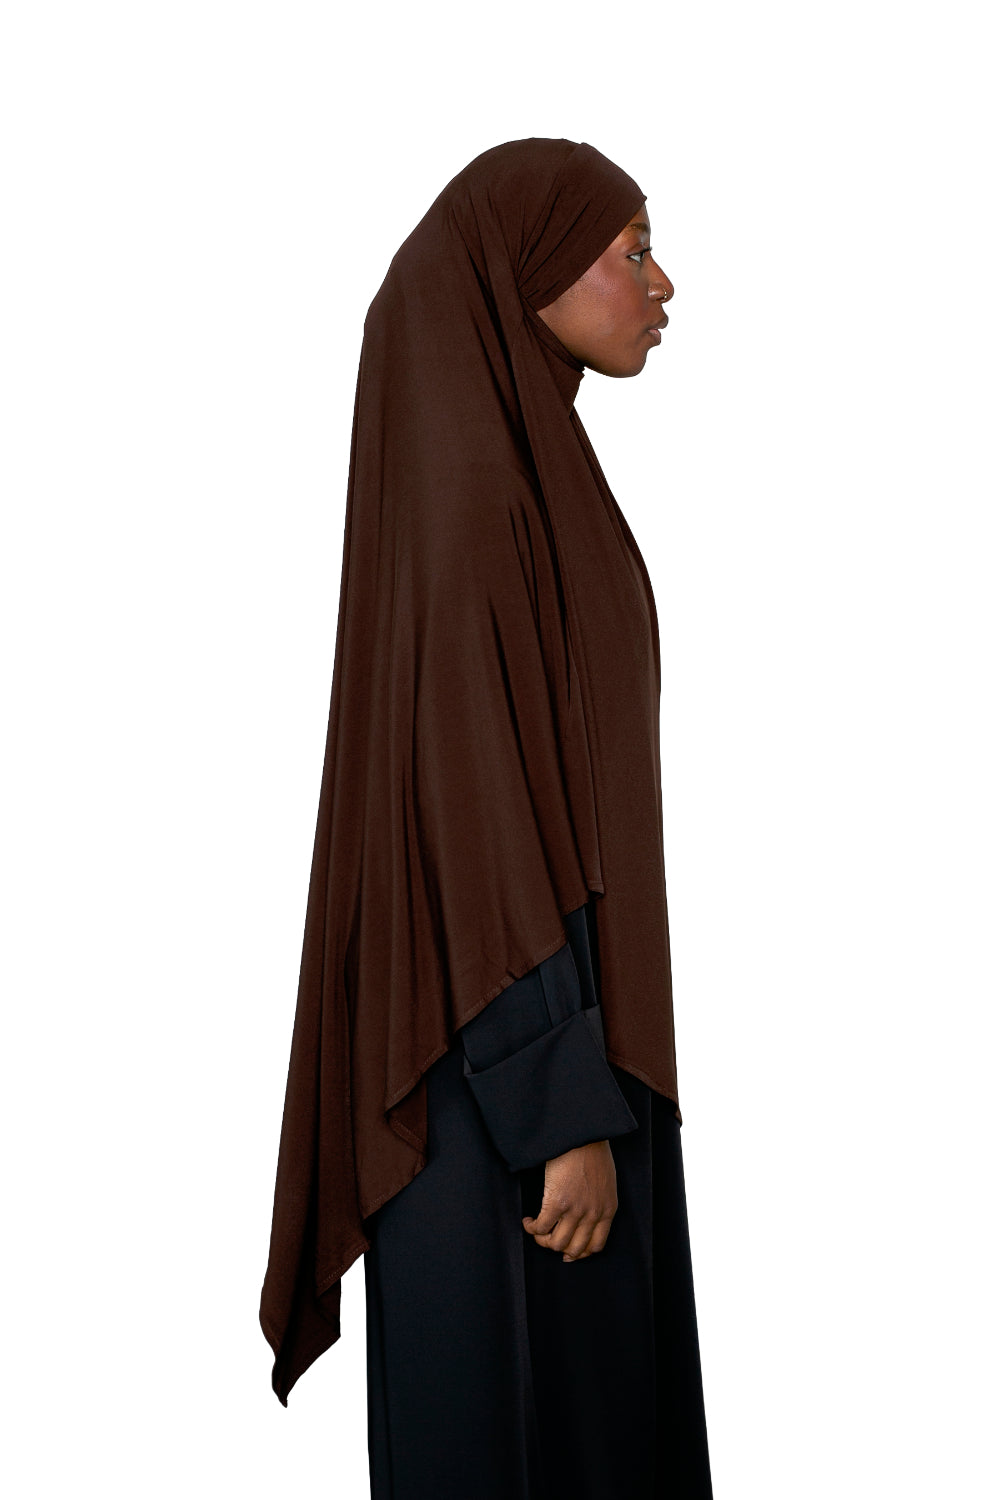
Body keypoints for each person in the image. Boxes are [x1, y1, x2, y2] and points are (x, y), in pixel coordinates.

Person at [260, 137, 714, 1499]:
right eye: (632, 251)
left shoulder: (526, 470)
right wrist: (558, 1112)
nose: (663, 284)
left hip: (554, 1030)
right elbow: (472, 812)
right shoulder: (473, 503)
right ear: (527, 271)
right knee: (521, 1438)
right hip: (500, 1074)